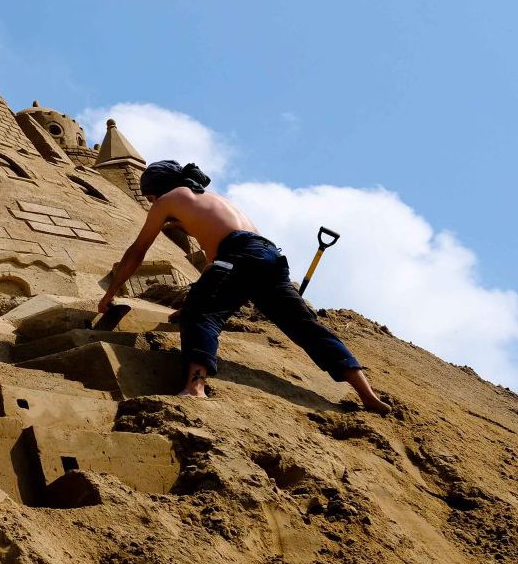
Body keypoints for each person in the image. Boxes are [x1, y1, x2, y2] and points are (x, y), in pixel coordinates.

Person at [98, 160, 390, 414]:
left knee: (201, 317)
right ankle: (366, 393)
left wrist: (110, 293)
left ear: (156, 190)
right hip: (270, 257)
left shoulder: (169, 199)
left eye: (150, 198)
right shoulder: (211, 200)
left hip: (240, 255)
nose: (152, 204)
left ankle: (195, 388)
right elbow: (218, 271)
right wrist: (194, 299)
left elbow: (137, 252)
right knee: (304, 326)